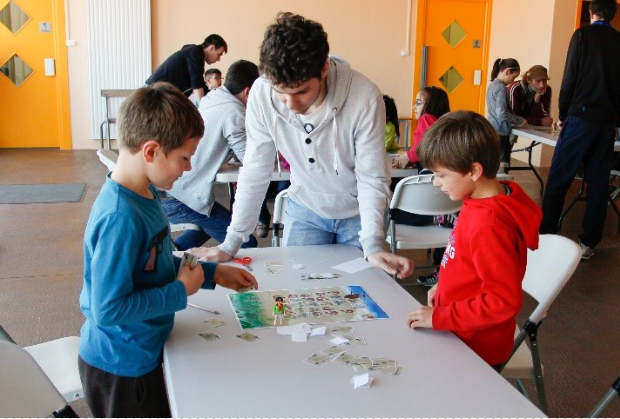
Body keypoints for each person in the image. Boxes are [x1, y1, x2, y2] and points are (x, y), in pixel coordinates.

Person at [77, 82, 257, 418]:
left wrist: (211, 273)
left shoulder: (144, 193)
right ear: (151, 151)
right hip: (122, 368)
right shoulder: (120, 217)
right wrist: (179, 291)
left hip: (143, 352)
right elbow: (107, 309)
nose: (188, 168)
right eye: (184, 158)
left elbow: (154, 262)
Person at [188, 12, 413, 280]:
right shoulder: (261, 93)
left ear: (324, 69)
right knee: (296, 288)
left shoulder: (364, 96)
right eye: (281, 93)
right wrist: (231, 242)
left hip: (358, 216)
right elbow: (255, 170)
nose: (291, 105)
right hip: (305, 209)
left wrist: (373, 242)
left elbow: (372, 177)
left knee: (360, 291)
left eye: (301, 92)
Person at [406, 110, 542, 370]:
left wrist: (441, 316)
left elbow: (502, 301)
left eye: (441, 175)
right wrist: (444, 287)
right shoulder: (483, 201)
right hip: (461, 331)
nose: (436, 183)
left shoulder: (489, 225)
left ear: (474, 171)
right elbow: (469, 264)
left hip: (475, 348)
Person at [540, 0, 620, 260]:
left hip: (581, 117)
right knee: (598, 182)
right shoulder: (618, 40)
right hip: (607, 121)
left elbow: (570, 76)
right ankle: (589, 242)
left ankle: (548, 233)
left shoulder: (582, 35)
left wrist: (563, 114)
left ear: (591, 11)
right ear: (613, 15)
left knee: (560, 177)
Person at [162, 60, 260, 250]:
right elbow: (250, 158)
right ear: (249, 92)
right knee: (246, 242)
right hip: (183, 196)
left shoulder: (212, 97)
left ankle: (171, 258)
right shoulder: (234, 112)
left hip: (170, 190)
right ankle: (171, 258)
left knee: (205, 228)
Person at [145, 34, 227, 101]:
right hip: (153, 94)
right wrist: (204, 107)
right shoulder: (195, 52)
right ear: (212, 48)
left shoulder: (192, 53)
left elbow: (201, 85)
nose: (218, 59)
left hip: (157, 93)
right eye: (219, 54)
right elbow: (196, 84)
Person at [393, 86, 450, 170]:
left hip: (428, 170)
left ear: (432, 105)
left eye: (418, 103)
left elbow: (430, 145)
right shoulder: (439, 121)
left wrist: (408, 156)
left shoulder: (426, 118)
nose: (414, 107)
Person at [486, 58, 527, 172]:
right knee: (503, 166)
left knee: (493, 164)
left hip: (492, 128)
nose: (513, 81)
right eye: (513, 77)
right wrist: (519, 120)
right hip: (500, 131)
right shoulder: (501, 88)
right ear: (507, 71)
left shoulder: (492, 85)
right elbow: (501, 113)